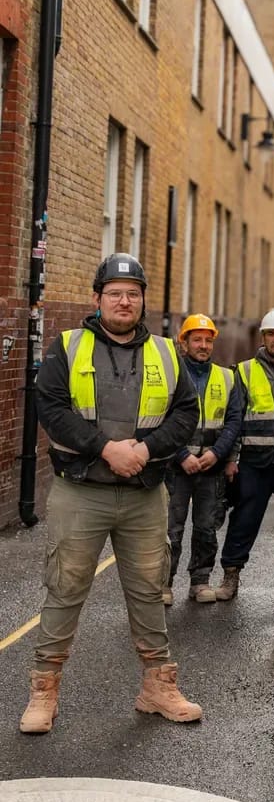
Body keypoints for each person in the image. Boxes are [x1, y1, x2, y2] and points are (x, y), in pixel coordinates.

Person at [20, 254, 202, 734]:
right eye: (115, 292)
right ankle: (45, 691)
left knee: (148, 589)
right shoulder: (67, 346)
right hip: (81, 491)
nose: (125, 301)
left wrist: (144, 449)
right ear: (97, 298)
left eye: (133, 293)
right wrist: (106, 449)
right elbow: (52, 409)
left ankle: (157, 687)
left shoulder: (167, 352)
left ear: (143, 301)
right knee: (66, 586)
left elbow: (186, 413)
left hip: (144, 491)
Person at [216, 308, 274, 603]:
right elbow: (235, 418)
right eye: (271, 333)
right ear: (263, 336)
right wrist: (231, 458)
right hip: (254, 462)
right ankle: (231, 574)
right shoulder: (244, 371)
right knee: (243, 520)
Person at [165, 314, 242, 605]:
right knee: (171, 528)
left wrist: (216, 454)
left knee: (206, 527)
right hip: (177, 465)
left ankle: (200, 581)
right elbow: (160, 417)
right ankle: (165, 583)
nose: (203, 345)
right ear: (183, 342)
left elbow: (234, 421)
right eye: (197, 339)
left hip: (212, 466)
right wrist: (182, 454)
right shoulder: (172, 373)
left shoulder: (227, 376)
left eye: (208, 340)